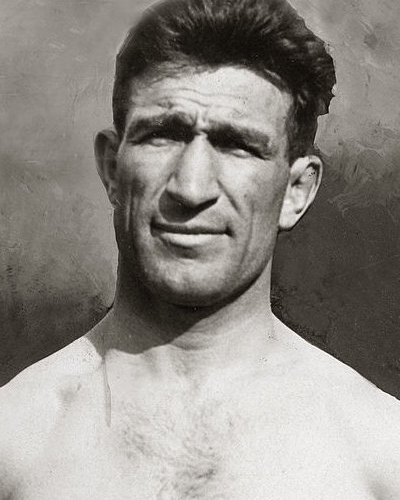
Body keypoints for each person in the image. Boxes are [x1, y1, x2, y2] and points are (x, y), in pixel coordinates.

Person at [1, 0, 399, 498]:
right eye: (162, 136)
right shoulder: (15, 443)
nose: (190, 189)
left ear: (296, 191)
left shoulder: (380, 454)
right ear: (112, 169)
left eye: (237, 145)